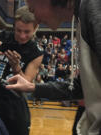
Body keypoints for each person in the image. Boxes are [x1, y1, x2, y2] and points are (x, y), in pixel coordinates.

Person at [7, 0, 101, 134]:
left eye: (33, 10)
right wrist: (32, 87)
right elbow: (80, 87)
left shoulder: (93, 7)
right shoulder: (82, 16)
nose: (37, 21)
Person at [0, 6, 43, 135]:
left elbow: (26, 84)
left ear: (35, 28)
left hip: (13, 103)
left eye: (27, 32)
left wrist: (16, 67)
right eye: (18, 30)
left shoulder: (36, 52)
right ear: (14, 26)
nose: (22, 36)